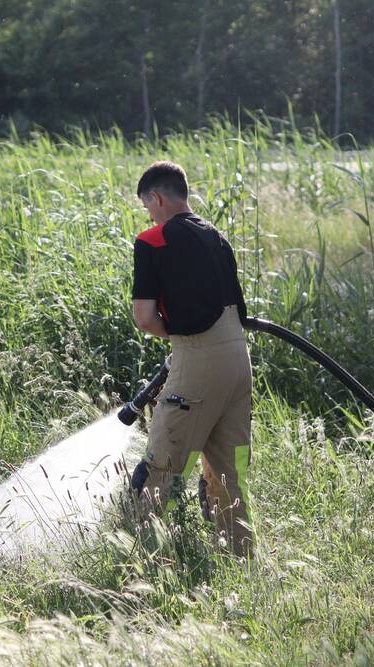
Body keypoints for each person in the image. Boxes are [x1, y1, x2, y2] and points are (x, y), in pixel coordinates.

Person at [128, 160, 254, 557]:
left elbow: (144, 318)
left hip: (198, 359)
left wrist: (180, 339)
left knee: (158, 469)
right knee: (230, 472)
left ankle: (142, 561)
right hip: (239, 361)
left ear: (157, 198)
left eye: (147, 206)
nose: (149, 215)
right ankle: (240, 562)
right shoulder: (217, 237)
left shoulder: (153, 241)